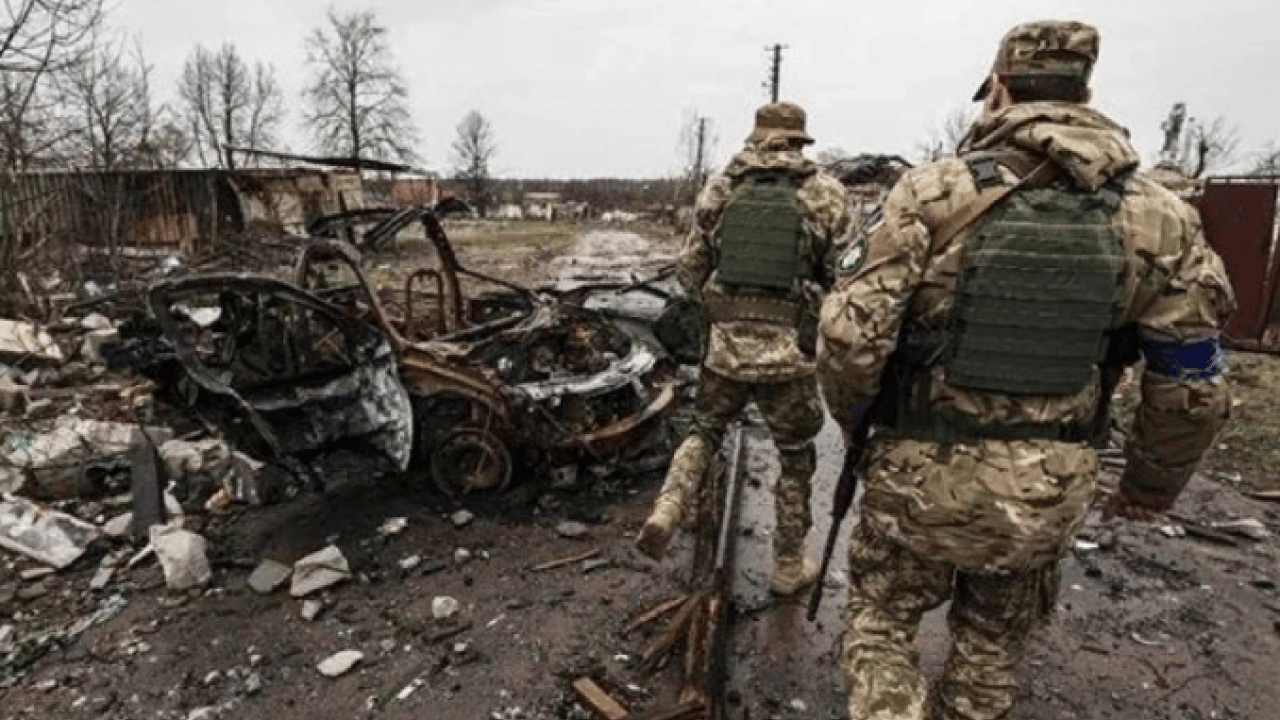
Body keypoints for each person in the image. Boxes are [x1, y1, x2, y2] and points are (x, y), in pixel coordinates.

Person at [817, 20, 1235, 720]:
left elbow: (848, 339)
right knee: (990, 644)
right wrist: (1150, 485)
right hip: (1047, 488)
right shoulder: (1159, 216)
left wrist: (860, 424)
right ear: (1085, 89)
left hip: (916, 477)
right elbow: (1191, 377)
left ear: (1000, 90)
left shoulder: (931, 193)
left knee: (882, 627)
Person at [635, 101, 852, 596]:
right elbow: (846, 281)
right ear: (799, 142)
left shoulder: (721, 188)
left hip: (724, 352)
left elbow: (689, 271)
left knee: (705, 431)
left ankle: (668, 507)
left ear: (755, 138)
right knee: (796, 457)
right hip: (790, 359)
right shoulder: (825, 194)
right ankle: (788, 565)